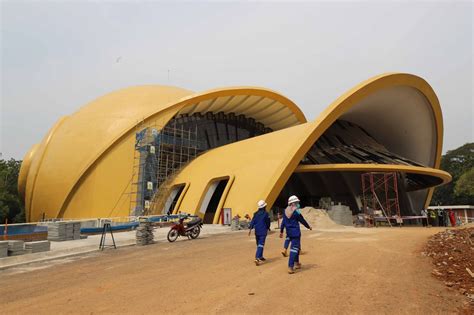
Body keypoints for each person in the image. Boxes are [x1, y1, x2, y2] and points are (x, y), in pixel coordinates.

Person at [280, 195, 312, 274]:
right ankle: (290, 266)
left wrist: (281, 231)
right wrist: (308, 227)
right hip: (295, 233)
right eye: (297, 202)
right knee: (294, 249)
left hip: (289, 232)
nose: (298, 204)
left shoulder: (285, 211)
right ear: (293, 203)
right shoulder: (296, 212)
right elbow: (302, 220)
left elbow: (283, 222)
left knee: (296, 248)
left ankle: (296, 263)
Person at [248, 200, 271, 266]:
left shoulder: (255, 214)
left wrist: (250, 228)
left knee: (258, 244)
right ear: (264, 207)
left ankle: (260, 256)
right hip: (263, 231)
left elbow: (253, 221)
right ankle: (257, 258)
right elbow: (268, 222)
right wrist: (268, 227)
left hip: (257, 231)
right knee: (261, 244)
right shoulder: (266, 214)